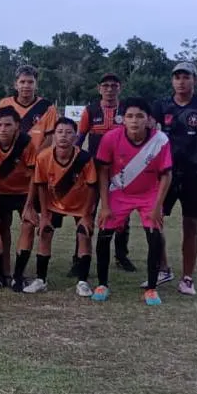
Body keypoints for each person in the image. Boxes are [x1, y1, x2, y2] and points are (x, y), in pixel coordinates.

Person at [148, 62, 197, 295]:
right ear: (172, 81)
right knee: (154, 221)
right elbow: (149, 135)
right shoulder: (161, 105)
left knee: (191, 225)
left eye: (186, 77)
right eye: (177, 77)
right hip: (166, 173)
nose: (181, 81)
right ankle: (163, 268)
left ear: (195, 80)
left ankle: (188, 277)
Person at [93, 98, 172, 306]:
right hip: (119, 191)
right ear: (122, 119)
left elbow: (166, 175)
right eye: (129, 116)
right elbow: (102, 172)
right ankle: (102, 284)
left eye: (139, 116)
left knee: (155, 236)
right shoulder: (111, 138)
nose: (134, 121)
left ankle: (152, 288)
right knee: (104, 235)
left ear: (149, 120)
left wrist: (157, 207)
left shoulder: (160, 140)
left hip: (149, 193)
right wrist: (105, 206)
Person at [27, 117, 97, 296]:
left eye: (68, 132)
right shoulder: (43, 157)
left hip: (80, 204)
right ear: (54, 135)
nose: (64, 136)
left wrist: (87, 215)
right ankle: (41, 280)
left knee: (84, 235)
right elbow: (41, 186)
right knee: (45, 233)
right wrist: (44, 215)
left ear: (75, 136)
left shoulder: (85, 158)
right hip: (53, 203)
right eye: (60, 132)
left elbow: (92, 187)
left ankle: (82, 282)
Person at [75, 73, 135, 274]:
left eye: (114, 85)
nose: (110, 89)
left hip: (121, 172)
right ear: (99, 88)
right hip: (94, 170)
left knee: (122, 215)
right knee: (87, 213)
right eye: (106, 85)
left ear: (120, 88)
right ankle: (79, 257)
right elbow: (79, 139)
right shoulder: (90, 110)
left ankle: (121, 255)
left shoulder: (127, 110)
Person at [0, 107, 39, 291]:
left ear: (17, 126)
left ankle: (17, 276)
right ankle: (0, 275)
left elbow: (34, 176)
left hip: (23, 193)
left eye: (8, 125)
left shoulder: (27, 143)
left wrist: (29, 205)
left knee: (28, 223)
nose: (3, 129)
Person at [0, 65, 58, 154]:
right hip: (8, 158)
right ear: (16, 85)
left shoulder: (48, 107)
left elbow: (49, 139)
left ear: (36, 85)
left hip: (36, 159)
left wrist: (34, 158)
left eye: (30, 82)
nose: (26, 85)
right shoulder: (4, 104)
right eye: (22, 82)